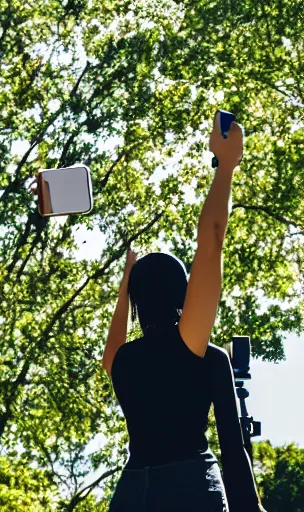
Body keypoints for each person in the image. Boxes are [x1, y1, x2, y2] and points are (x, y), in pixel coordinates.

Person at [101, 112, 267, 511]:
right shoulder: (195, 348)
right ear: (183, 294)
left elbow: (116, 338)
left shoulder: (119, 362)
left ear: (136, 299)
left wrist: (127, 283)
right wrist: (225, 167)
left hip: (130, 492)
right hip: (189, 489)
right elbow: (211, 243)